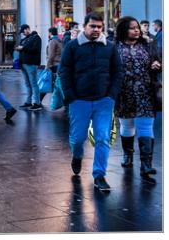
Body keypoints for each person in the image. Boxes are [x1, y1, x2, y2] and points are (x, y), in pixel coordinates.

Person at [59, 13, 123, 192]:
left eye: (99, 27)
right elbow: (64, 71)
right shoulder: (72, 46)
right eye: (92, 26)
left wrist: (112, 95)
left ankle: (99, 175)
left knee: (102, 138)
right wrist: (70, 95)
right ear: (84, 26)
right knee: (78, 138)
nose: (96, 30)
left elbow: (118, 72)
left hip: (104, 101)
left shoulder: (109, 47)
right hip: (79, 101)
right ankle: (77, 156)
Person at [113, 17, 161, 179]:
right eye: (132, 28)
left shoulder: (148, 45)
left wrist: (156, 64)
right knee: (127, 126)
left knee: (146, 126)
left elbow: (158, 59)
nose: (137, 30)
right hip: (123, 94)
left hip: (145, 92)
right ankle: (128, 155)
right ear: (123, 30)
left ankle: (146, 164)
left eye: (137, 28)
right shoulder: (114, 47)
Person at [16, 24, 42, 111]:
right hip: (23, 64)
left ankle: (37, 103)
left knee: (33, 83)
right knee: (27, 84)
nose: (23, 33)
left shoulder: (36, 38)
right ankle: (28, 101)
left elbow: (35, 50)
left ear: (27, 29)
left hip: (31, 64)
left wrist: (23, 48)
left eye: (23, 31)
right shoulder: (24, 39)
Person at [40, 27, 62, 104]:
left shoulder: (53, 41)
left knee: (46, 81)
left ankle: (39, 101)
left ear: (50, 33)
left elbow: (51, 55)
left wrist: (47, 66)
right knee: (56, 83)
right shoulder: (59, 40)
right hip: (58, 64)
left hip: (54, 65)